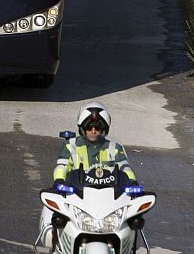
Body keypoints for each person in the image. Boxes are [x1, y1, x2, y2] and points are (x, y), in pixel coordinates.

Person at [38, 102, 138, 251]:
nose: (93, 131)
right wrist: (59, 180)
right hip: (77, 195)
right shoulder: (70, 146)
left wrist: (132, 182)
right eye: (89, 127)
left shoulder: (115, 148)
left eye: (97, 127)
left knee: (134, 219)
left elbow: (125, 167)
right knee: (56, 217)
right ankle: (57, 246)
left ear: (103, 129)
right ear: (82, 127)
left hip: (108, 198)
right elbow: (62, 166)